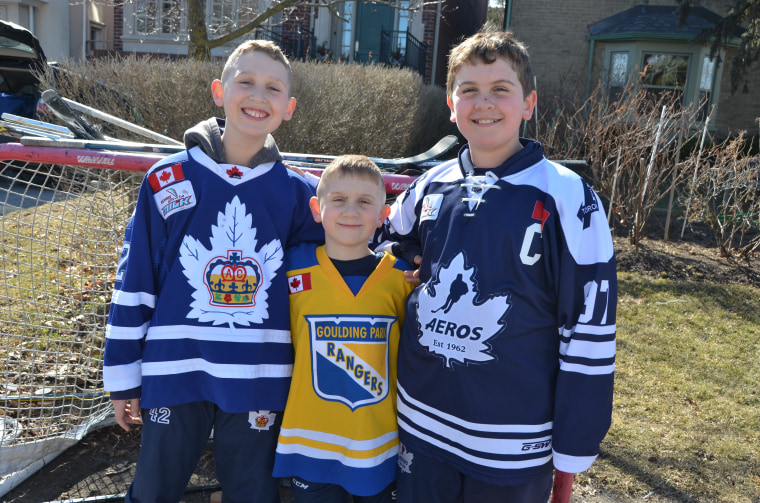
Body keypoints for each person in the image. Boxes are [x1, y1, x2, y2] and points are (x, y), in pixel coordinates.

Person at [380, 29, 617, 502]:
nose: (483, 102)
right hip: (421, 421)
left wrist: (574, 445)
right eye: (469, 90)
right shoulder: (431, 185)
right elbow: (383, 237)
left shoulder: (570, 197)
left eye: (500, 90)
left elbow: (590, 326)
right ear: (451, 105)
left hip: (511, 440)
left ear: (529, 103)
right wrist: (411, 259)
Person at [103, 40, 324, 503]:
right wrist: (123, 374)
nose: (258, 96)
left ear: (289, 106)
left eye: (272, 87)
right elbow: (136, 278)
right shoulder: (168, 179)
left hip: (259, 375)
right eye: (245, 82)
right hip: (175, 369)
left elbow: (329, 276)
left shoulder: (300, 194)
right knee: (152, 490)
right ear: (219, 91)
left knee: (250, 491)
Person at [272, 155, 415, 502]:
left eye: (365, 202)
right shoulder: (291, 266)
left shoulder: (403, 277)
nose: (351, 211)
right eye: (338, 200)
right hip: (309, 439)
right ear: (317, 209)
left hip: (378, 440)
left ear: (383, 215)